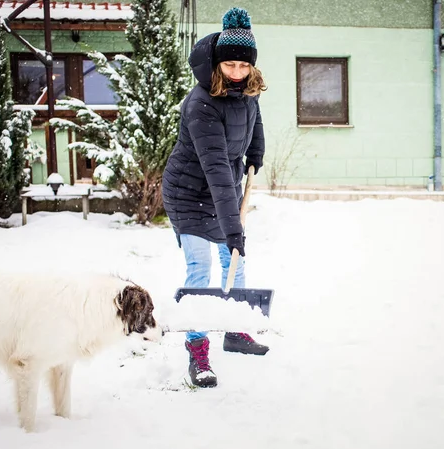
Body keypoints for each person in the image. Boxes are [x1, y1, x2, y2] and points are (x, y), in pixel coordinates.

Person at [162, 7, 269, 388]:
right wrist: (233, 228)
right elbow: (218, 172)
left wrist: (256, 153)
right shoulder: (200, 103)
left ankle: (234, 331)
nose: (237, 72)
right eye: (230, 66)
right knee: (201, 270)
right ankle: (197, 349)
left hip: (222, 188)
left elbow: (253, 122)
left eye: (243, 65)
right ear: (218, 64)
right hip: (189, 194)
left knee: (235, 264)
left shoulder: (247, 91)